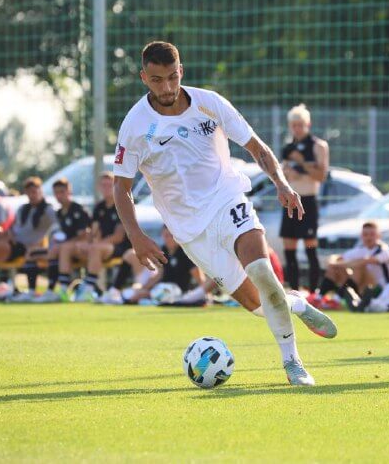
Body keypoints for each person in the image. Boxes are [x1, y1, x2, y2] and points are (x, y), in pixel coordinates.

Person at [112, 41, 336, 386]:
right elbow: (121, 186)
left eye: (172, 77)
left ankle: (293, 363)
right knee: (259, 305)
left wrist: (281, 183)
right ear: (144, 77)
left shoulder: (210, 103)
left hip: (227, 199)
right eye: (157, 80)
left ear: (181, 71)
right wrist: (136, 236)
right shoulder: (135, 125)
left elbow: (257, 147)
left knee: (262, 271)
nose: (167, 87)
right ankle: (298, 305)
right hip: (190, 229)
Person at [280, 103, 329, 291]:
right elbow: (284, 174)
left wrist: (301, 164)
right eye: (294, 125)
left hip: (308, 200)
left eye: (300, 125)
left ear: (308, 124)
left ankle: (313, 292)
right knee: (289, 250)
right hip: (290, 202)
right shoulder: (288, 148)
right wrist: (288, 173)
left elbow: (321, 176)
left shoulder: (318, 146)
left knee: (310, 249)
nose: (297, 129)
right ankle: (294, 291)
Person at [66, 172, 131, 301]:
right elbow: (94, 231)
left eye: (109, 185)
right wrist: (88, 242)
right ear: (99, 188)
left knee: (95, 249)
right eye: (103, 185)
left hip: (120, 247)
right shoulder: (99, 207)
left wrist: (95, 244)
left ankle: (89, 289)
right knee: (69, 248)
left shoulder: (122, 204)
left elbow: (118, 237)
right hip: (101, 246)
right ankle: (64, 287)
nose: (106, 188)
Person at [27, 178, 91, 302]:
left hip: (79, 249)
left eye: (62, 192)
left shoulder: (78, 209)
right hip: (61, 249)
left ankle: (60, 289)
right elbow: (57, 234)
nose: (59, 195)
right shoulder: (59, 213)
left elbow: (84, 234)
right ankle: (31, 291)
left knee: (61, 249)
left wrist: (63, 244)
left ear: (69, 192)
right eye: (56, 193)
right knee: (31, 253)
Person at [117, 225, 206, 305]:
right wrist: (143, 288)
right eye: (165, 236)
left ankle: (142, 299)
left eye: (171, 236)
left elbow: (198, 276)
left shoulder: (186, 253)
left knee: (145, 295)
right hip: (162, 288)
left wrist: (205, 293)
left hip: (178, 291)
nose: (168, 239)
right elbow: (159, 274)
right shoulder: (163, 250)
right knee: (135, 292)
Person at [317, 222, 389, 302]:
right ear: (361, 236)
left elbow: (363, 262)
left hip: (381, 288)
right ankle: (319, 297)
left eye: (372, 234)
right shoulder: (361, 248)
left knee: (359, 267)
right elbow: (338, 257)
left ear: (379, 236)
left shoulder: (383, 250)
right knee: (335, 268)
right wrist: (332, 263)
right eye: (365, 234)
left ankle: (338, 299)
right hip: (363, 286)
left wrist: (335, 264)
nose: (368, 237)